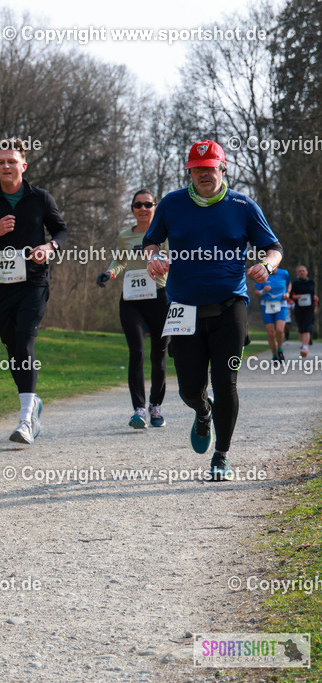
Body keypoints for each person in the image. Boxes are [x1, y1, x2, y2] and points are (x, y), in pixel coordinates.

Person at [144, 140, 282, 482]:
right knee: (189, 388)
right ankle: (202, 411)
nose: (204, 174)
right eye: (197, 169)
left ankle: (221, 455)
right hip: (183, 308)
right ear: (189, 171)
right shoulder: (172, 204)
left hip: (229, 307)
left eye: (211, 168)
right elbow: (151, 241)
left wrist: (267, 265)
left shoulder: (243, 206)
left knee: (226, 382)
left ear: (223, 169)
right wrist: (153, 258)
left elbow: (274, 247)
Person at [0, 138, 68, 444]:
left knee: (24, 338)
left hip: (34, 282)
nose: (6, 166)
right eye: (0, 162)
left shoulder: (40, 198)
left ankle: (25, 419)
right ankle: (32, 402)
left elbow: (62, 230)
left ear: (24, 165)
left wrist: (50, 246)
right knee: (13, 347)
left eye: (12, 161)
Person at [96, 190, 169, 429]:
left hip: (159, 298)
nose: (143, 208)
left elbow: (176, 258)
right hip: (132, 299)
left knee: (158, 357)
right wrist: (110, 272)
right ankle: (138, 409)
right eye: (138, 204)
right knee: (136, 352)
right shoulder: (125, 236)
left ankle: (155, 406)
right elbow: (121, 260)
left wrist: (166, 266)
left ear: (155, 207)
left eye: (148, 204)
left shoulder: (165, 234)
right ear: (132, 209)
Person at [252, 265, 291, 363]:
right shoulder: (262, 275)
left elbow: (289, 284)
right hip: (267, 305)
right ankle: (274, 355)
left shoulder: (284, 273)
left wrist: (288, 293)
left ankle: (280, 349)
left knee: (279, 330)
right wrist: (263, 291)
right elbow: (256, 292)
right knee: (270, 333)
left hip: (281, 304)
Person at [291, 265, 318, 358]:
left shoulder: (311, 282)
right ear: (298, 273)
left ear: (306, 272)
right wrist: (295, 297)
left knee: (306, 327)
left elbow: (313, 293)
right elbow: (291, 295)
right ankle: (304, 344)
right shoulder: (295, 283)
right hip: (299, 307)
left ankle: (305, 348)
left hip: (309, 307)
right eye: (300, 271)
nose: (302, 272)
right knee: (301, 328)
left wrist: (315, 299)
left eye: (303, 271)